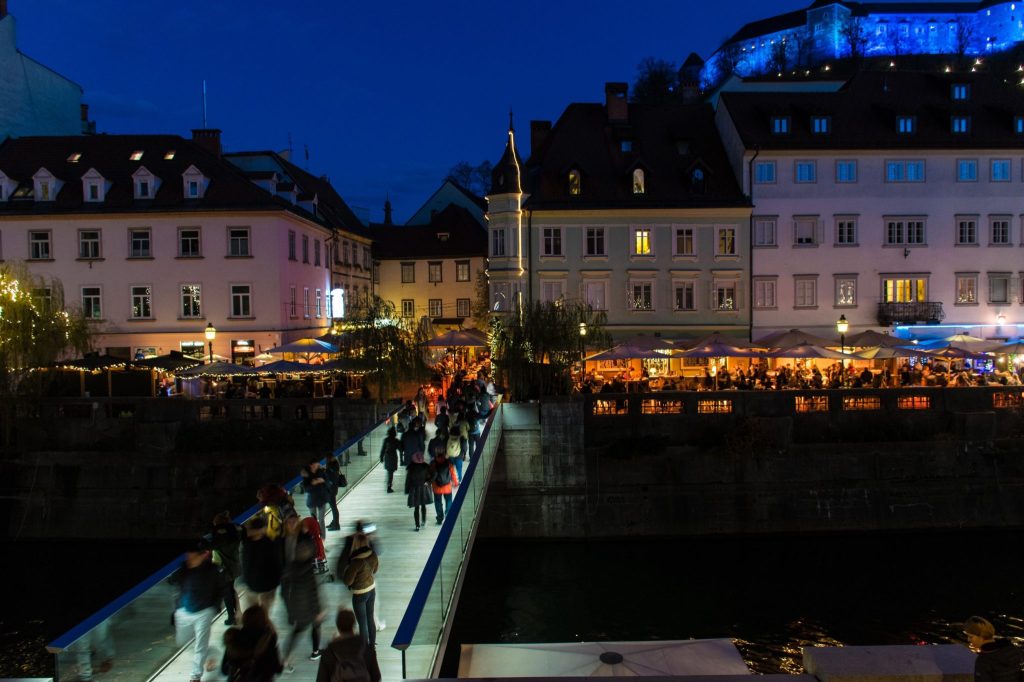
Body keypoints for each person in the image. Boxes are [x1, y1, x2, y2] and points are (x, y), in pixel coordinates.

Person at [170, 539, 230, 682]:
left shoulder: (213, 570)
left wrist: (215, 607)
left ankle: (195, 676)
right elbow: (173, 581)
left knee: (200, 645)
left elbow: (223, 588)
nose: (189, 556)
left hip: (204, 611)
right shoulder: (183, 568)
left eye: (193, 553)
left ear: (204, 554)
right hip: (184, 610)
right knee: (183, 642)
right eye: (188, 553)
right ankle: (212, 654)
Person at [279, 514, 325, 670]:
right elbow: (312, 590)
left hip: (297, 602)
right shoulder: (306, 570)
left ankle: (288, 658)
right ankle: (315, 651)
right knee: (312, 625)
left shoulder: (293, 568)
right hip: (306, 604)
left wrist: (290, 610)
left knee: (299, 630)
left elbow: (285, 591)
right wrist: (318, 609)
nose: (291, 524)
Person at [221, 605, 283, 681]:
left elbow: (224, 670)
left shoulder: (233, 638)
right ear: (264, 620)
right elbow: (277, 669)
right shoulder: (268, 639)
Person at [315, 608, 379, 682]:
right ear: (353, 625)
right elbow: (376, 677)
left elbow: (321, 680)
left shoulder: (328, 653)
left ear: (338, 626)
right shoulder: (368, 649)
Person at [341, 533, 379, 648]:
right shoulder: (373, 555)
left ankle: (364, 647)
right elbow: (375, 570)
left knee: (362, 623)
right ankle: (372, 645)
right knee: (370, 618)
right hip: (371, 589)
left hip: (359, 594)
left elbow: (348, 581)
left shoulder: (355, 562)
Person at [240, 517, 284, 614]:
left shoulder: (247, 544)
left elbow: (244, 565)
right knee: (263, 613)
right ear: (263, 528)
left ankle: (259, 625)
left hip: (257, 586)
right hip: (265, 586)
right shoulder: (269, 543)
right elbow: (277, 563)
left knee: (257, 613)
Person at [964, 616, 1024, 682]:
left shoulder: (984, 661)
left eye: (971, 637)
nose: (968, 639)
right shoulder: (1012, 649)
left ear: (981, 635)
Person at [210, 511, 243, 626]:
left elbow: (211, 546)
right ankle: (236, 614)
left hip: (225, 568)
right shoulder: (235, 533)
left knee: (227, 592)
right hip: (233, 566)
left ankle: (231, 616)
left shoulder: (220, 537)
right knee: (230, 589)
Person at [301, 458, 330, 540]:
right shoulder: (306, 475)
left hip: (322, 499)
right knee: (314, 520)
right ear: (311, 465)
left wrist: (322, 481)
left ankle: (323, 539)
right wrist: (313, 483)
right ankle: (315, 538)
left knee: (321, 520)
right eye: (315, 465)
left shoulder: (321, 471)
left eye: (317, 464)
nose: (316, 466)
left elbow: (328, 482)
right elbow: (306, 489)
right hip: (312, 500)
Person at [429, 447, 458, 524]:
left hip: (436, 487)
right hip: (447, 487)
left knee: (438, 502)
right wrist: (455, 482)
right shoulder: (448, 463)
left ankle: (439, 518)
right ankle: (448, 514)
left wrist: (429, 483)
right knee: (448, 501)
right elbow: (453, 473)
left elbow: (430, 475)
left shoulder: (433, 463)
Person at [405, 451, 433, 531]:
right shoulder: (426, 466)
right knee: (423, 505)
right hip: (424, 489)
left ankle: (417, 526)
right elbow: (434, 474)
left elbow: (408, 480)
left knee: (416, 507)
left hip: (414, 489)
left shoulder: (411, 467)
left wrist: (407, 490)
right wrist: (428, 482)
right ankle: (423, 521)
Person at [379, 426, 401, 493]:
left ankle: (389, 484)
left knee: (389, 472)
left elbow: (383, 449)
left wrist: (381, 457)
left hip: (387, 457)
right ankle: (389, 486)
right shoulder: (396, 440)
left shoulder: (386, 440)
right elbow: (400, 448)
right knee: (391, 472)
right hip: (393, 457)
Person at [324, 454, 343, 531]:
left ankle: (336, 524)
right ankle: (334, 522)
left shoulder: (332, 466)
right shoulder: (335, 465)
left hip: (331, 489)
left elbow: (331, 477)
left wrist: (325, 472)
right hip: (332, 489)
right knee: (333, 507)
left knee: (333, 507)